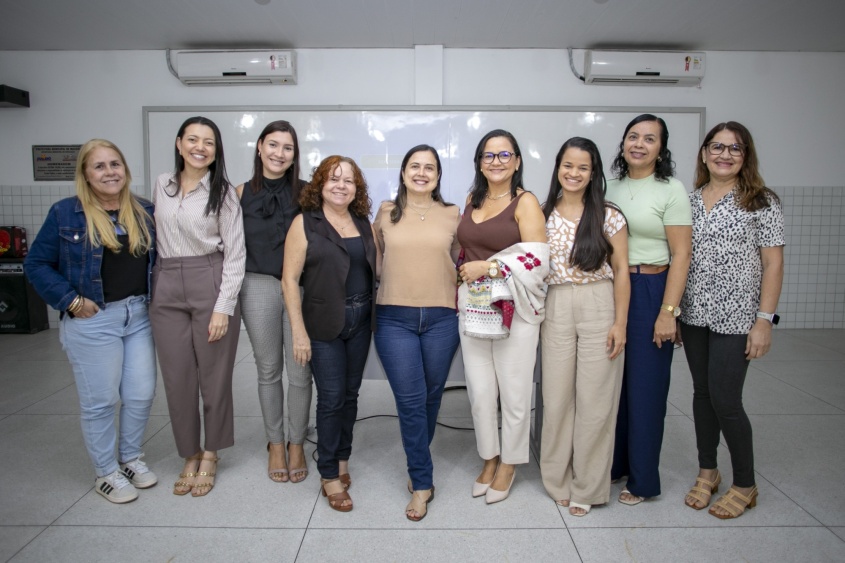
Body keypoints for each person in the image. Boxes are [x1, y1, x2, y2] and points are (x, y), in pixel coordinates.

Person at [24, 139, 157, 504]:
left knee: (140, 394)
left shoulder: (144, 210)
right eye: (99, 166)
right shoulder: (66, 213)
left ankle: (130, 458)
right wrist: (71, 301)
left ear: (125, 170)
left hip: (138, 315)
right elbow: (35, 264)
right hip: (94, 318)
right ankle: (105, 472)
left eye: (115, 164)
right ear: (85, 173)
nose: (109, 172)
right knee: (99, 401)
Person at [679, 122, 784, 519]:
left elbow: (773, 262)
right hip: (694, 312)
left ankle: (745, 483)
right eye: (717, 147)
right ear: (704, 153)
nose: (725, 154)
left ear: (746, 156)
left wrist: (764, 321)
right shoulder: (689, 200)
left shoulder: (760, 201)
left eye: (735, 148)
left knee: (727, 400)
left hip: (737, 316)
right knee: (702, 394)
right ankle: (708, 471)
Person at [149, 116, 246, 497]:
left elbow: (236, 255)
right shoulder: (162, 185)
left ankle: (210, 452)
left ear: (216, 150)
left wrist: (223, 307)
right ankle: (188, 451)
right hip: (167, 281)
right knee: (177, 378)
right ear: (178, 144)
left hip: (211, 277)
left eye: (208, 142)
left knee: (214, 377)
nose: (200, 147)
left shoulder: (223, 193)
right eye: (192, 139)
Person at [456, 129, 549, 504]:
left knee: (513, 392)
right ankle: (489, 458)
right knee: (480, 392)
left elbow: (540, 259)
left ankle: (510, 463)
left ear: (517, 161)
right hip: (474, 306)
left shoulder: (525, 201)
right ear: (479, 162)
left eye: (504, 155)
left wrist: (489, 267)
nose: (496, 162)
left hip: (515, 309)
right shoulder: (470, 199)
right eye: (488, 155)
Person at [539, 137, 630, 517]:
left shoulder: (608, 215)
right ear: (558, 167)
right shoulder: (542, 212)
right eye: (567, 165)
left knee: (596, 401)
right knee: (557, 399)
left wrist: (620, 322)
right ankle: (556, 479)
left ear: (594, 173)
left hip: (598, 302)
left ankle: (588, 486)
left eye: (583, 167)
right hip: (555, 304)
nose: (573, 173)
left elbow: (623, 269)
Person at [606, 114, 692, 505]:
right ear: (623, 143)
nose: (639, 144)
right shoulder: (609, 186)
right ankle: (614, 464)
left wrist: (667, 311)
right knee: (614, 386)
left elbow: (682, 254)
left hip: (652, 288)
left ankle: (642, 480)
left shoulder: (670, 189)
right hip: (610, 288)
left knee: (645, 390)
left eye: (649, 139)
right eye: (633, 137)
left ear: (661, 149)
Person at [282, 155, 376, 513]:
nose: (341, 186)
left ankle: (342, 459)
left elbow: (377, 267)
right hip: (323, 323)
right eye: (333, 179)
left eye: (349, 181)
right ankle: (328, 474)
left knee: (351, 395)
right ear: (320, 184)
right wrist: (299, 333)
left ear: (357, 189)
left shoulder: (363, 222)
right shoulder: (305, 224)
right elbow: (289, 280)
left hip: (361, 319)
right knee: (332, 397)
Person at [373, 145, 461, 521]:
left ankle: (416, 455)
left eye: (430, 167)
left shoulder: (454, 214)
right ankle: (422, 482)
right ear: (404, 172)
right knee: (409, 400)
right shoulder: (385, 212)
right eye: (415, 166)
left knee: (430, 398)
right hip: (394, 317)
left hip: (443, 316)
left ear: (438, 176)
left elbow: (459, 259)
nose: (421, 173)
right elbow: (377, 259)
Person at [236, 120, 312, 484]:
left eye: (288, 148)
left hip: (300, 288)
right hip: (258, 285)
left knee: (300, 369)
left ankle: (297, 442)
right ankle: (275, 443)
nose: (279, 153)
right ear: (260, 147)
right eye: (274, 145)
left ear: (295, 154)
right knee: (268, 370)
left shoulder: (309, 194)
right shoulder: (238, 193)